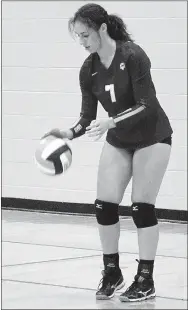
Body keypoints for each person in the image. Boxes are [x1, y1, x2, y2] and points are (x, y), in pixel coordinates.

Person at [44, 3, 173, 302]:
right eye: (77, 36)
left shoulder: (133, 55)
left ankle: (146, 278)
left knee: (141, 208)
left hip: (153, 136)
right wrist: (70, 132)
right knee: (104, 206)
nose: (82, 42)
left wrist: (111, 121)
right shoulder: (88, 70)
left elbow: (147, 104)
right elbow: (87, 116)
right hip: (119, 139)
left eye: (86, 34)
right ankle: (112, 271)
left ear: (102, 28)